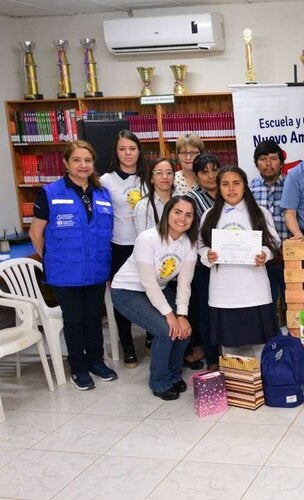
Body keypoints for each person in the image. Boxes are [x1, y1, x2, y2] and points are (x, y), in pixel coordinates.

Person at [29, 141, 118, 390]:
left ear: (93, 164)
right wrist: (51, 259)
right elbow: (36, 232)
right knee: (74, 320)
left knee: (93, 319)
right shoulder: (51, 193)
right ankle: (79, 368)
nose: (83, 165)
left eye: (87, 160)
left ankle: (96, 362)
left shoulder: (102, 194)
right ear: (66, 163)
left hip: (96, 270)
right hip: (65, 273)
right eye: (77, 160)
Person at [111, 196, 199, 400]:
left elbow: (185, 282)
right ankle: (159, 382)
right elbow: (148, 281)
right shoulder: (147, 238)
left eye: (188, 215)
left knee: (183, 330)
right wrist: (170, 315)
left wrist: (182, 315)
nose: (182, 218)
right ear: (167, 212)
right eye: (177, 212)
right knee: (165, 330)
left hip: (157, 289)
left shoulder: (189, 243)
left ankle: (174, 375)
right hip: (127, 290)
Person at [199, 166, 280, 358]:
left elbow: (275, 243)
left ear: (245, 186)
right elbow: (200, 246)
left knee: (261, 344)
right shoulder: (210, 215)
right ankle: (235, 384)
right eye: (225, 184)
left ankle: (262, 383)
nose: (231, 189)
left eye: (236, 183)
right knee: (228, 346)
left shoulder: (260, 212)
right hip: (224, 292)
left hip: (255, 290)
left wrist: (265, 254)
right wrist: (207, 255)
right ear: (219, 188)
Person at [100, 130, 146, 368]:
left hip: (147, 245)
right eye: (122, 149)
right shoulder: (106, 181)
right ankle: (127, 345)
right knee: (122, 297)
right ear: (116, 152)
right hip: (120, 246)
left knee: (152, 291)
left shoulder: (147, 176)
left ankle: (151, 335)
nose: (128, 153)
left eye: (132, 148)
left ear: (139, 151)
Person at [250, 139, 287, 332]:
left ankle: (295, 344)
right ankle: (272, 344)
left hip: (289, 257)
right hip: (263, 258)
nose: (268, 163)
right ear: (256, 163)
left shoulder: (292, 184)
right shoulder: (249, 188)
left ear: (281, 161)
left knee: (292, 302)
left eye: (273, 158)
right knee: (268, 303)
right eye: (263, 159)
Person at [187, 153, 220, 370]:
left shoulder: (229, 191)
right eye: (204, 172)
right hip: (204, 264)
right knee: (206, 312)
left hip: (229, 264)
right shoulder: (192, 198)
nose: (210, 176)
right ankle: (212, 359)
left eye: (214, 170)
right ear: (196, 175)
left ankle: (230, 355)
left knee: (225, 310)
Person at [134, 158, 174, 233]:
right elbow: (144, 239)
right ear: (151, 179)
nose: (165, 176)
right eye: (159, 173)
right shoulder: (143, 206)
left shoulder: (180, 202)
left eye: (169, 172)